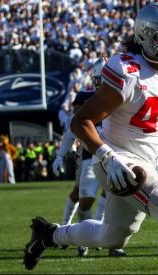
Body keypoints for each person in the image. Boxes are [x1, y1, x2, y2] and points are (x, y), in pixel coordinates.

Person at [24, 3, 158, 274]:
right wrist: (107, 157)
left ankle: (47, 235)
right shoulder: (127, 71)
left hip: (146, 162)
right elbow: (81, 122)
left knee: (111, 236)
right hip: (115, 159)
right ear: (145, 37)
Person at [52, 57, 125, 257]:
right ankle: (82, 237)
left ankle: (110, 242)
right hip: (90, 156)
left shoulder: (122, 95)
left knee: (115, 198)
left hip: (116, 155)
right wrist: (60, 154)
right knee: (85, 201)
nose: (101, 83)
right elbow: (73, 128)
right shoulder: (84, 97)